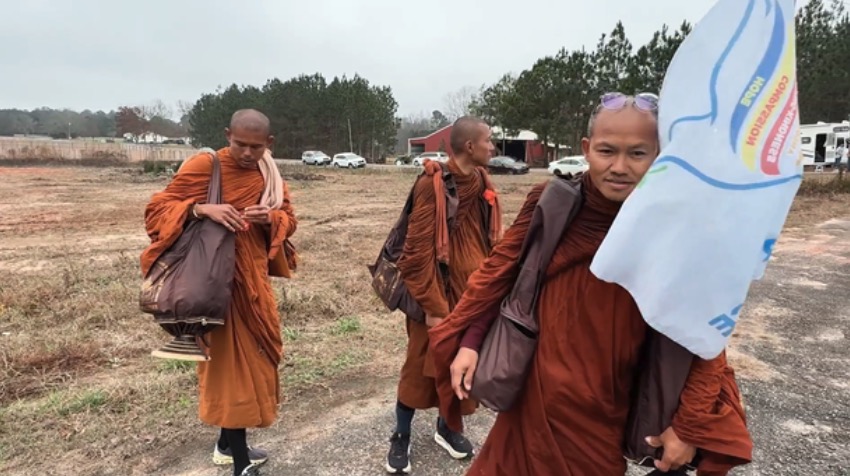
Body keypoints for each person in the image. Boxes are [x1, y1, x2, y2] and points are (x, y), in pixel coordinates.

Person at [429, 93, 753, 476]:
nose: (619, 167)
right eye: (606, 151)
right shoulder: (552, 205)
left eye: (637, 154)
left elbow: (705, 335)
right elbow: (505, 276)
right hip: (534, 398)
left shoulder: (675, 230)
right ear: (586, 149)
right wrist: (470, 341)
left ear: (660, 153)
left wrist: (689, 423)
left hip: (602, 410)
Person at [141, 109, 297, 476]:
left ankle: (226, 444)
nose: (246, 153)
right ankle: (240, 464)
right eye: (239, 144)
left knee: (256, 360)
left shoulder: (269, 174)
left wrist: (270, 219)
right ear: (227, 135)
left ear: (268, 144)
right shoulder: (203, 165)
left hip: (252, 287)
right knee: (232, 372)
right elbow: (156, 211)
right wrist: (200, 209)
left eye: (255, 147)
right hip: (214, 286)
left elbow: (290, 220)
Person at [385, 116, 503, 474]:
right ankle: (401, 434)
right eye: (489, 141)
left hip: (472, 293)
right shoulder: (432, 183)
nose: (493, 147)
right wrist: (434, 307)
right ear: (470, 146)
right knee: (419, 368)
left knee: (463, 367)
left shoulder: (482, 178)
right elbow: (415, 254)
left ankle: (447, 428)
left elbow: (488, 234)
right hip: (435, 295)